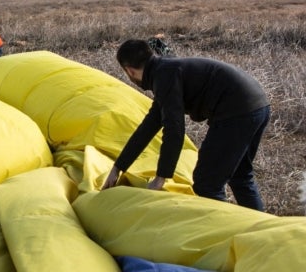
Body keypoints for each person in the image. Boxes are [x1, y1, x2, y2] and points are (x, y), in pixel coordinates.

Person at [102, 39, 271, 211]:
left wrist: (160, 178)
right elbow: (149, 126)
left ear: (129, 71)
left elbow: (175, 130)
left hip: (237, 112)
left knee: (207, 183)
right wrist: (118, 167)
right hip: (259, 105)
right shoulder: (165, 70)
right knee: (240, 176)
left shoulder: (164, 76)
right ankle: (261, 229)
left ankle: (224, 229)